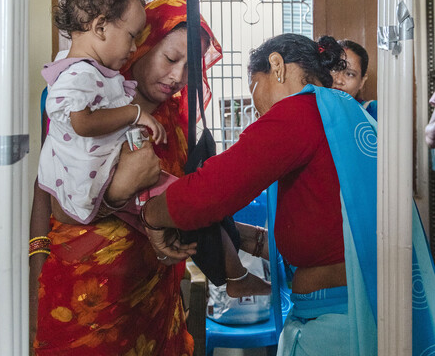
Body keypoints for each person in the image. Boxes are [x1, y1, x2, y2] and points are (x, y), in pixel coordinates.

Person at [133, 33, 435, 356]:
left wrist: (150, 215)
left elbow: (212, 190)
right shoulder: (342, 113)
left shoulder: (301, 111)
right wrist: (236, 235)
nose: (256, 107)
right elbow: (323, 233)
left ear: (277, 66)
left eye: (255, 89)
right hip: (344, 313)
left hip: (336, 324)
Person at [30, 0, 267, 356]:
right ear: (140, 45)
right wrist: (37, 267)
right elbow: (49, 190)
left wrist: (249, 237)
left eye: (191, 67)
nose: (178, 77)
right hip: (83, 294)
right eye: (171, 58)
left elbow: (180, 201)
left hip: (154, 297)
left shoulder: (177, 121)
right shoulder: (87, 99)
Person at [38, 0, 167, 225]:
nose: (133, 49)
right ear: (99, 27)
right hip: (89, 185)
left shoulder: (88, 72)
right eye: (132, 36)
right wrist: (135, 113)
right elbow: (83, 124)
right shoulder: (79, 73)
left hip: (106, 178)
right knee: (175, 207)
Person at [331, 39, 377, 120]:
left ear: (362, 81)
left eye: (350, 74)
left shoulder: (373, 112)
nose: (338, 81)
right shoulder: (309, 109)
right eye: (334, 70)